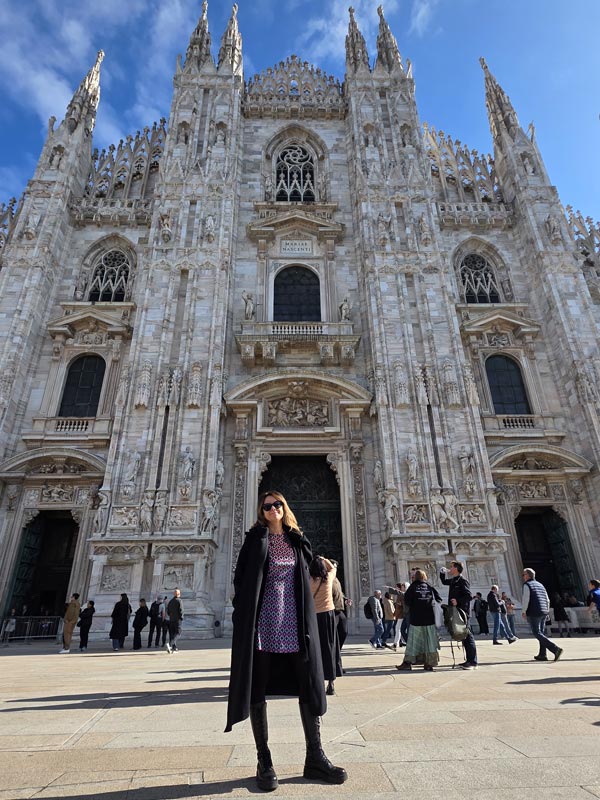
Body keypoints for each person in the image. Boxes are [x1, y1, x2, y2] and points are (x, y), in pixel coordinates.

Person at [225, 490, 347, 790]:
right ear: (261, 510)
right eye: (267, 506)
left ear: (284, 508)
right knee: (258, 684)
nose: (272, 509)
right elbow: (241, 579)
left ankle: (315, 757)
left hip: (295, 622)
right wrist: (243, 614)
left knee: (309, 681)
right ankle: (264, 760)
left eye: (277, 504)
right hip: (264, 623)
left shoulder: (296, 539)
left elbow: (308, 572)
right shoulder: (255, 540)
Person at [396, 569, 443, 671]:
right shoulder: (429, 587)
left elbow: (407, 601)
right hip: (429, 619)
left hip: (416, 619)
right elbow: (439, 599)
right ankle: (429, 663)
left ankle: (408, 662)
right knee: (429, 642)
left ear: (415, 577)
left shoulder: (413, 587)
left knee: (413, 642)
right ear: (424, 577)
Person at [309, 555, 339, 696]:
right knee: (329, 647)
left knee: (316, 649)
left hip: (313, 617)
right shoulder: (328, 579)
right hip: (327, 616)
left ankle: (317, 681)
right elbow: (333, 568)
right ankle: (331, 682)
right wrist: (324, 559)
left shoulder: (309, 581)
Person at [440, 562, 478, 670]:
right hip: (455, 610)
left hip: (463, 612)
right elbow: (443, 582)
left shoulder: (462, 580)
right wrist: (442, 573)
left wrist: (458, 601)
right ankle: (469, 660)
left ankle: (473, 662)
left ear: (456, 568)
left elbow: (469, 596)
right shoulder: (453, 580)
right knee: (464, 636)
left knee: (468, 635)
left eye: (451, 567)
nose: (450, 569)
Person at [522, 568, 563, 662]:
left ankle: (555, 649)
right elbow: (547, 599)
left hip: (534, 611)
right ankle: (542, 654)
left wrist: (523, 611)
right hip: (543, 611)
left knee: (537, 632)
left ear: (528, 575)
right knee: (541, 633)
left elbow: (526, 599)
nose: (523, 577)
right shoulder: (540, 585)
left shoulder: (527, 584)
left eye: (523, 575)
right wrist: (547, 611)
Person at [332, 576, 350, 675]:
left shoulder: (336, 580)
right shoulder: (326, 578)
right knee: (333, 639)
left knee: (343, 632)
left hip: (339, 610)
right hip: (331, 611)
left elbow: (340, 593)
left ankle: (336, 661)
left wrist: (346, 599)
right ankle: (336, 666)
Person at [166, 588, 184, 653]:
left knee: (172, 633)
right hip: (177, 620)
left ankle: (174, 647)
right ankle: (170, 644)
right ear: (179, 594)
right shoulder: (179, 601)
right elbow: (181, 610)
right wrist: (181, 617)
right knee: (178, 633)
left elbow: (168, 611)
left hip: (171, 620)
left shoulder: (170, 601)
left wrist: (171, 616)